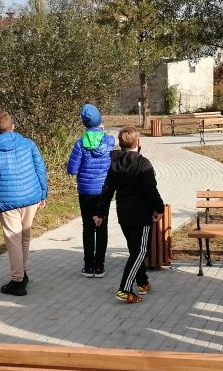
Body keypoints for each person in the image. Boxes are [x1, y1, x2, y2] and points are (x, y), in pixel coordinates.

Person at [93, 126, 164, 304]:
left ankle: (142, 282)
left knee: (135, 250)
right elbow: (150, 190)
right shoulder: (143, 163)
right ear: (138, 142)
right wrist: (159, 209)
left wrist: (100, 212)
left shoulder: (115, 163)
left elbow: (107, 189)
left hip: (124, 214)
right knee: (141, 251)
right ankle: (124, 289)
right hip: (141, 215)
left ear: (120, 143)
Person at [0, 111, 48, 296]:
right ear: (13, 127)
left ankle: (17, 281)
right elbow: (40, 168)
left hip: (7, 201)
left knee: (13, 241)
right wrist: (43, 193)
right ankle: (23, 272)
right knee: (24, 237)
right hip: (31, 196)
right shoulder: (28, 144)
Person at [67, 103, 117, 278]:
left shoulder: (80, 144)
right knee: (102, 226)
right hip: (104, 191)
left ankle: (88, 266)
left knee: (88, 227)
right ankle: (100, 266)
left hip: (86, 192)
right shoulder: (109, 141)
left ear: (84, 123)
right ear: (100, 121)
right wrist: (101, 131)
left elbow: (72, 169)